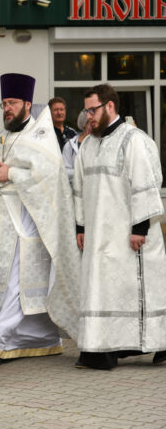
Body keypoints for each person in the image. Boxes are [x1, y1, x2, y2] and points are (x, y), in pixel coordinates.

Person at [0, 73, 80, 365]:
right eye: (3, 104)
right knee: (6, 283)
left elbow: (50, 177)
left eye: (12, 102)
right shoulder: (0, 137)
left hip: (29, 226)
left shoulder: (41, 135)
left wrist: (9, 173)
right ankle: (38, 338)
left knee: (16, 285)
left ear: (28, 103)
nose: (7, 109)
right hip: (2, 225)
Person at [73, 83, 166, 369]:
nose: (88, 115)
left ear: (109, 106)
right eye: (86, 110)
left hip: (128, 233)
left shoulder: (133, 140)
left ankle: (156, 343)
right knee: (101, 290)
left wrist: (140, 228)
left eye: (92, 109)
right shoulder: (87, 144)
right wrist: (81, 227)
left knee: (135, 290)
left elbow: (144, 184)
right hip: (98, 235)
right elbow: (78, 188)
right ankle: (99, 347)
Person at [62, 110, 90, 183]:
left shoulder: (101, 144)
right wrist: (82, 173)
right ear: (84, 124)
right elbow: (65, 172)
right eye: (89, 122)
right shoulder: (70, 145)